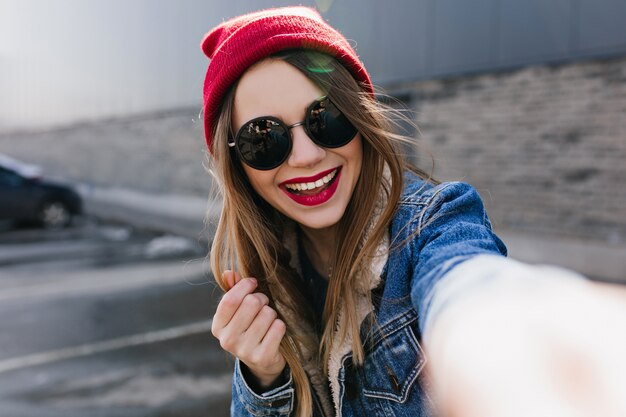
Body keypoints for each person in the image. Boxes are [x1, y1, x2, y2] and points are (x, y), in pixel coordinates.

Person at [200, 7, 626, 417]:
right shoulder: (266, 280)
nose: (308, 156)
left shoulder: (433, 222)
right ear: (235, 163)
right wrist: (265, 379)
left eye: (326, 118)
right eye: (266, 138)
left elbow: (467, 281)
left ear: (360, 117)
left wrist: (521, 337)